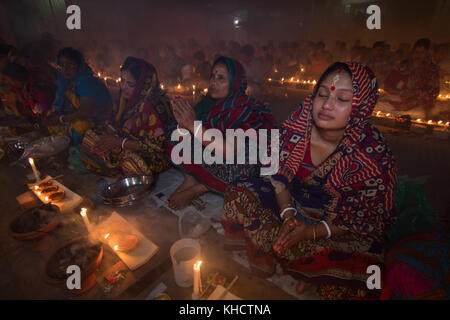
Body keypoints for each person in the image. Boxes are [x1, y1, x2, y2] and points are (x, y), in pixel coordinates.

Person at [221, 62, 398, 299]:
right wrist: (287, 214)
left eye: (343, 99)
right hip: (294, 206)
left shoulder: (373, 157)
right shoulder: (296, 128)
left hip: (337, 227)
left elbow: (363, 217)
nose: (326, 105)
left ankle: (309, 272)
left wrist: (312, 232)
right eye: (322, 94)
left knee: (363, 277)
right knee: (240, 194)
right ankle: (286, 264)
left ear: (361, 106)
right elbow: (277, 177)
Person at [166, 56, 277, 210]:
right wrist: (185, 123)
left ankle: (197, 189)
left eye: (221, 78)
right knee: (174, 134)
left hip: (242, 162)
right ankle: (190, 178)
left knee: (241, 168)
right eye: (212, 76)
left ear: (235, 83)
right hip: (217, 151)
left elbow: (230, 151)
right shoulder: (210, 102)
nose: (213, 82)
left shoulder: (246, 108)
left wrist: (193, 125)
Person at [80, 57, 174, 177]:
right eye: (122, 81)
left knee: (132, 163)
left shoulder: (154, 104)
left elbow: (156, 147)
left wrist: (118, 142)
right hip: (123, 143)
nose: (123, 87)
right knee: (90, 137)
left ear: (143, 85)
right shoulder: (124, 99)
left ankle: (118, 170)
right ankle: (116, 169)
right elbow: (113, 123)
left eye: (130, 84)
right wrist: (107, 136)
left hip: (152, 154)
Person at [42, 47, 112, 145]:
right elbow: (61, 104)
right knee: (50, 124)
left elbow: (85, 112)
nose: (66, 69)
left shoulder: (86, 82)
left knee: (80, 127)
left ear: (79, 65)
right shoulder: (67, 81)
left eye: (71, 65)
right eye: (62, 65)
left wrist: (61, 119)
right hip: (74, 117)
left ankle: (78, 151)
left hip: (98, 120)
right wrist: (53, 116)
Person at [383, 38, 440, 119]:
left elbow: (433, 91)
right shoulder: (402, 66)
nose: (418, 55)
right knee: (379, 107)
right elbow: (386, 86)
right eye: (416, 52)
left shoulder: (431, 70)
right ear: (412, 52)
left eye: (422, 52)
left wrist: (415, 96)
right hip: (396, 99)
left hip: (419, 104)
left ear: (427, 54)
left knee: (419, 115)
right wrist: (401, 93)